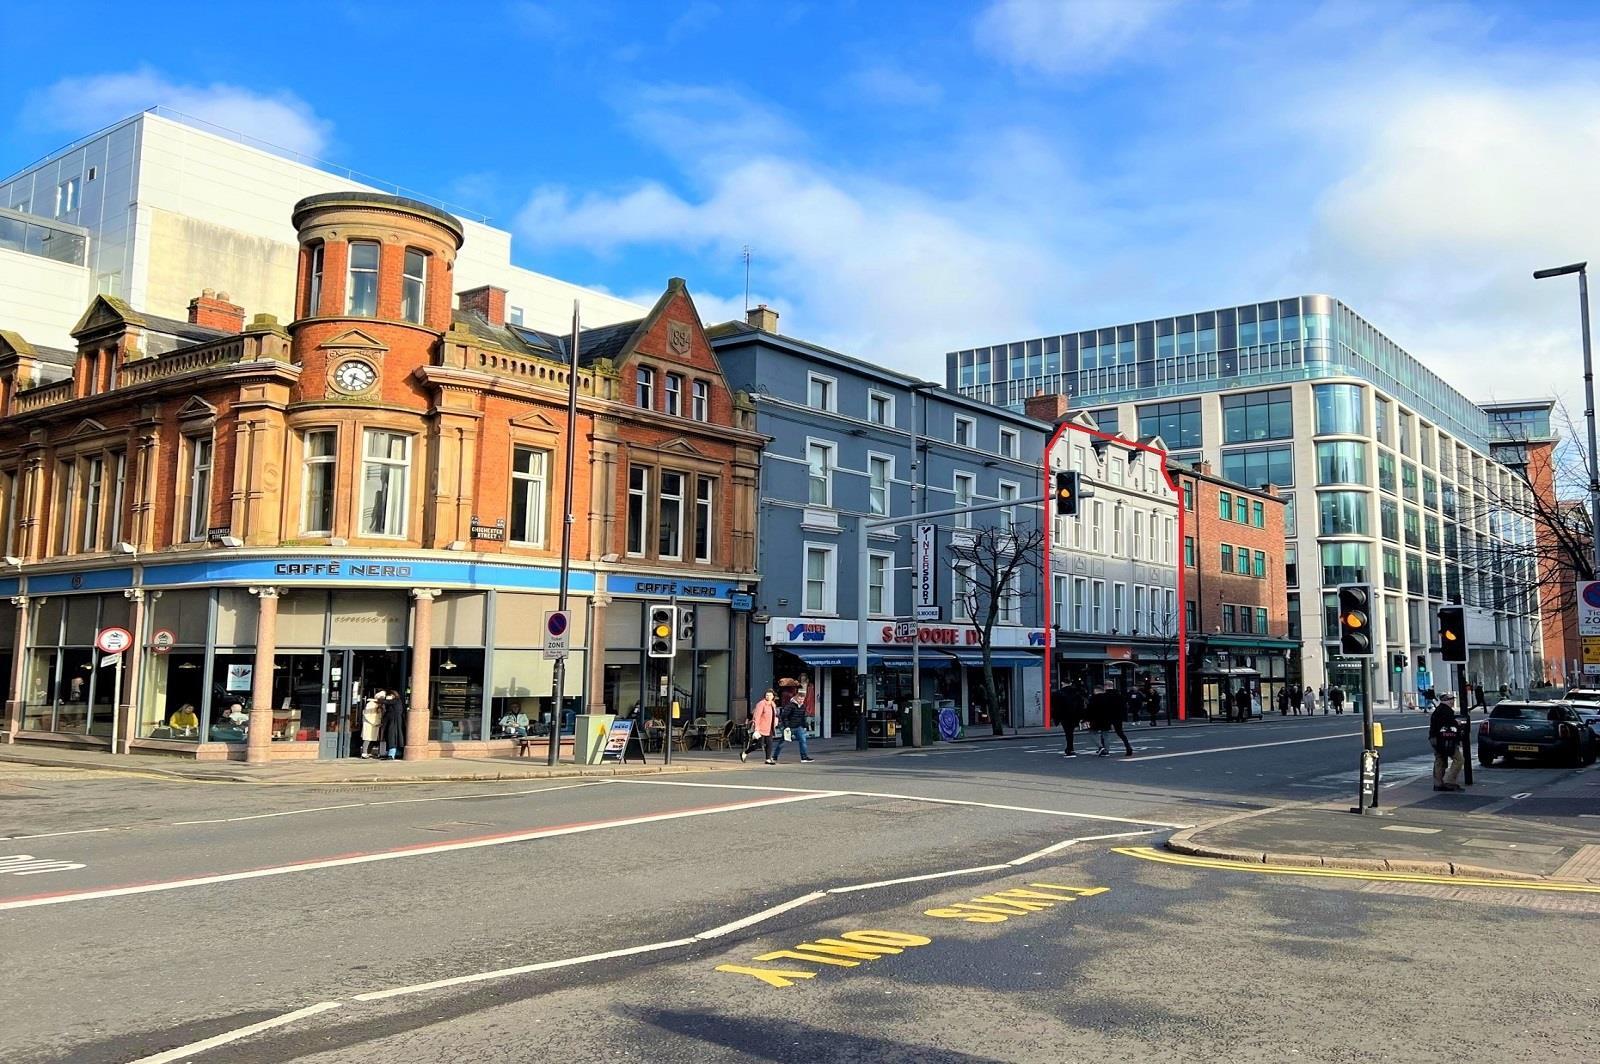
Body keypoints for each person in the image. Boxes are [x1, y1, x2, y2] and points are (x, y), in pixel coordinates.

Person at [1429, 693, 1465, 791]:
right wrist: (1456, 723)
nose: (1453, 701)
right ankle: (1449, 781)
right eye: (1452, 699)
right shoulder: (1446, 711)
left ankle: (1438, 784)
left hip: (1434, 738)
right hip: (1444, 739)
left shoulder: (1438, 710)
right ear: (1447, 701)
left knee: (1440, 759)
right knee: (1459, 759)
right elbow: (1449, 725)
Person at [1088, 681, 1133, 757]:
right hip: (1117, 717)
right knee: (1120, 733)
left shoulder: (1104, 695)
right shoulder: (1119, 695)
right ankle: (1128, 747)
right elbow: (1123, 706)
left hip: (1106, 716)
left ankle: (1103, 748)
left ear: (1106, 686)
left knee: (1104, 732)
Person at [769, 685, 812, 763]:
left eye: (802, 699)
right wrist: (787, 726)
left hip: (798, 727)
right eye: (799, 699)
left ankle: (804, 757)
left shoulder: (803, 706)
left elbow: (802, 717)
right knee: (782, 743)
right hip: (790, 727)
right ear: (796, 698)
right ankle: (774, 756)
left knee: (803, 741)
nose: (801, 700)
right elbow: (784, 716)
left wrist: (804, 725)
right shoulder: (790, 706)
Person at [742, 689, 776, 764]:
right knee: (759, 744)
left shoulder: (773, 704)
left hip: (769, 727)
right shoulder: (761, 704)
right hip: (761, 728)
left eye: (770, 695)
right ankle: (745, 752)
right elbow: (756, 717)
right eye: (767, 695)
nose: (768, 697)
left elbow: (774, 715)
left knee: (769, 743)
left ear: (773, 696)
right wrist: (756, 729)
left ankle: (768, 759)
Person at [1057, 679, 1086, 757]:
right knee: (1070, 732)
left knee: (1068, 732)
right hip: (1074, 715)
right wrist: (1081, 716)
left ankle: (1070, 748)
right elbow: (1081, 704)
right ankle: (1070, 748)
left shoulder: (1060, 692)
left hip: (1064, 715)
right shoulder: (1076, 692)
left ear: (1063, 683)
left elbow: (1057, 706)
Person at [379, 689, 405, 760]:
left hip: (394, 722)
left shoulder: (396, 701)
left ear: (393, 695)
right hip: (394, 722)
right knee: (392, 737)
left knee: (392, 737)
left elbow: (386, 702)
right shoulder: (396, 702)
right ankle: (394, 753)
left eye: (389, 695)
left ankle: (392, 754)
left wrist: (378, 700)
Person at [361, 693, 383, 757]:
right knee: (367, 738)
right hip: (369, 724)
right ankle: (364, 752)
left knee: (373, 738)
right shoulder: (370, 704)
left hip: (375, 724)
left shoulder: (378, 704)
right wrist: (374, 722)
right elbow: (367, 715)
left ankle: (368, 752)